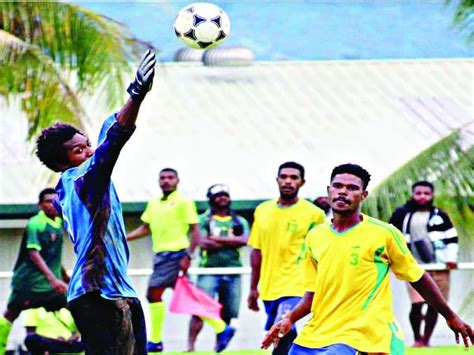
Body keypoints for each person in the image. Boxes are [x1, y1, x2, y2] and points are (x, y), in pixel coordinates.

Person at [262, 163, 473, 355]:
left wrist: (450, 316)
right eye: (338, 186)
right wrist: (289, 319)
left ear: (363, 195)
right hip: (315, 335)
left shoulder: (384, 234)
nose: (343, 191)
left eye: (352, 188)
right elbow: (312, 294)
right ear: (329, 191)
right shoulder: (315, 236)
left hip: (360, 335)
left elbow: (417, 277)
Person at [35, 49, 156, 355]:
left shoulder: (79, 177)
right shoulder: (80, 180)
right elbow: (112, 143)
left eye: (87, 145)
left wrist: (132, 100)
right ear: (64, 162)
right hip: (97, 293)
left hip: (117, 290)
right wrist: (137, 94)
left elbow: (109, 130)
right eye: (78, 150)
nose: (88, 151)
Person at [127, 168, 233, 352]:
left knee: (153, 293)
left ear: (178, 180)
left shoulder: (184, 202)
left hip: (175, 254)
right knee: (185, 296)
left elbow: (195, 231)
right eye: (163, 178)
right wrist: (124, 238)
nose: (166, 181)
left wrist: (188, 255)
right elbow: (145, 228)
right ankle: (221, 328)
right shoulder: (154, 203)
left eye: (170, 178)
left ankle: (155, 340)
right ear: (158, 181)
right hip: (161, 255)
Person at [247, 161, 326, 355]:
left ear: (302, 182)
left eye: (293, 178)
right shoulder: (262, 210)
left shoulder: (314, 214)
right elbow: (256, 251)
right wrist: (252, 288)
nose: (288, 181)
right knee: (283, 331)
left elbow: (321, 251)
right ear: (277, 180)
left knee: (282, 327)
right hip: (269, 286)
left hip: (297, 283)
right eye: (284, 177)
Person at [389, 180, 459, 347]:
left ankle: (425, 340)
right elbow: (391, 236)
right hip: (414, 266)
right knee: (417, 303)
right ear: (412, 194)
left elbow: (451, 238)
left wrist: (451, 258)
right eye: (418, 193)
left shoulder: (440, 215)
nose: (422, 197)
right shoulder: (402, 215)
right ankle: (417, 337)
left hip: (440, 266)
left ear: (432, 195)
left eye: (426, 193)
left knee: (435, 304)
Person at [0, 188, 68, 354]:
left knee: (76, 304)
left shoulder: (59, 223)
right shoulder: (36, 223)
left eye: (55, 201)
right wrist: (53, 279)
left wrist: (64, 275)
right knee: (11, 313)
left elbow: (52, 254)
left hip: (50, 284)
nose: (52, 204)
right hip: (29, 283)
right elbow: (34, 253)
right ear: (40, 205)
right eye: (47, 201)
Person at [187, 184, 249, 352]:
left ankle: (219, 348)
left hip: (233, 270)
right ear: (211, 199)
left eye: (225, 195)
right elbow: (203, 242)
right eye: (218, 195)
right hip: (208, 269)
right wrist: (230, 241)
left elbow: (244, 240)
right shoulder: (204, 219)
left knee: (228, 311)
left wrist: (216, 239)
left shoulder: (239, 220)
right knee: (199, 308)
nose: (222, 198)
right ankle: (190, 347)